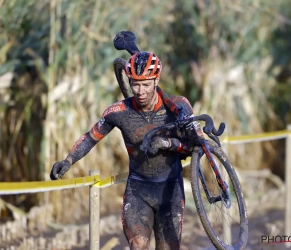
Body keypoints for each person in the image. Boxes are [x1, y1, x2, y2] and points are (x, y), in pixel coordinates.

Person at [50, 51, 200, 250]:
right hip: (138, 191)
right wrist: (68, 160)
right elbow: (90, 137)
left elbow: (198, 145)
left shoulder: (178, 107)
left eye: (146, 84)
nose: (140, 91)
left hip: (170, 190)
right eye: (135, 84)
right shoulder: (119, 112)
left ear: (157, 80)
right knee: (138, 245)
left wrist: (169, 144)